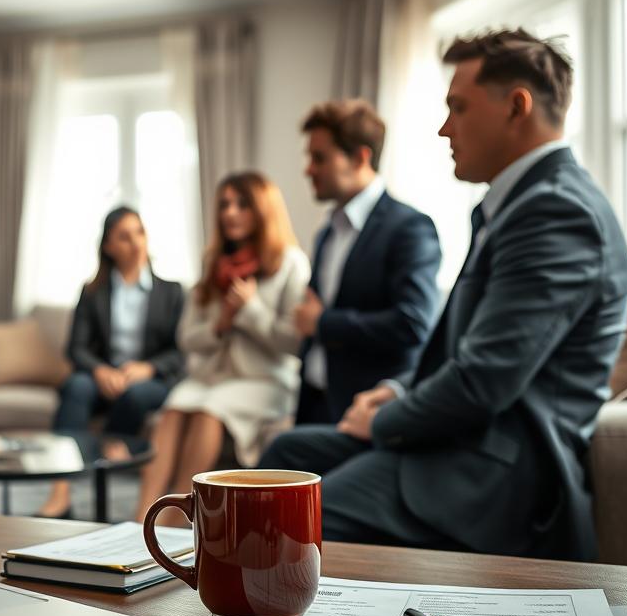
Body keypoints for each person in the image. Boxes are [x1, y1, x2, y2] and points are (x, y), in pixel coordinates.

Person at [259, 28, 627, 561]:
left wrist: (384, 421)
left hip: (495, 471)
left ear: (516, 107)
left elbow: (483, 381)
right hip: (461, 441)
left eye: (457, 108)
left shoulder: (556, 213)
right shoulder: (517, 207)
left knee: (297, 517)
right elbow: (469, 352)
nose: (443, 128)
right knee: (285, 455)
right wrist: (396, 389)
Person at [135, 172, 310, 523]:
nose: (230, 212)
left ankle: (176, 522)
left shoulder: (290, 263)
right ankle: (140, 520)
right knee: (173, 410)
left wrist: (250, 310)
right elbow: (187, 337)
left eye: (242, 204)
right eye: (225, 204)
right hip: (213, 377)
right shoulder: (212, 264)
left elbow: (293, 342)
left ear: (263, 210)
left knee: (208, 411)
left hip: (265, 380)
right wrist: (221, 323)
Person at [293, 99, 441, 424]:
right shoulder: (326, 233)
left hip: (364, 410)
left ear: (360, 157)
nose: (308, 169)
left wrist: (323, 323)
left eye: (319, 158)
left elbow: (413, 323)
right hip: (314, 400)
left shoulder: (409, 228)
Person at [37, 206, 184, 519]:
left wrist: (148, 368)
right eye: (124, 236)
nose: (136, 242)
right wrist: (100, 370)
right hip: (103, 377)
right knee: (75, 385)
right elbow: (75, 348)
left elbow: (179, 352)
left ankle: (110, 444)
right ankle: (61, 490)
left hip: (147, 381)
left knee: (137, 394)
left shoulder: (171, 292)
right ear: (108, 247)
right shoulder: (93, 293)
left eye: (139, 233)